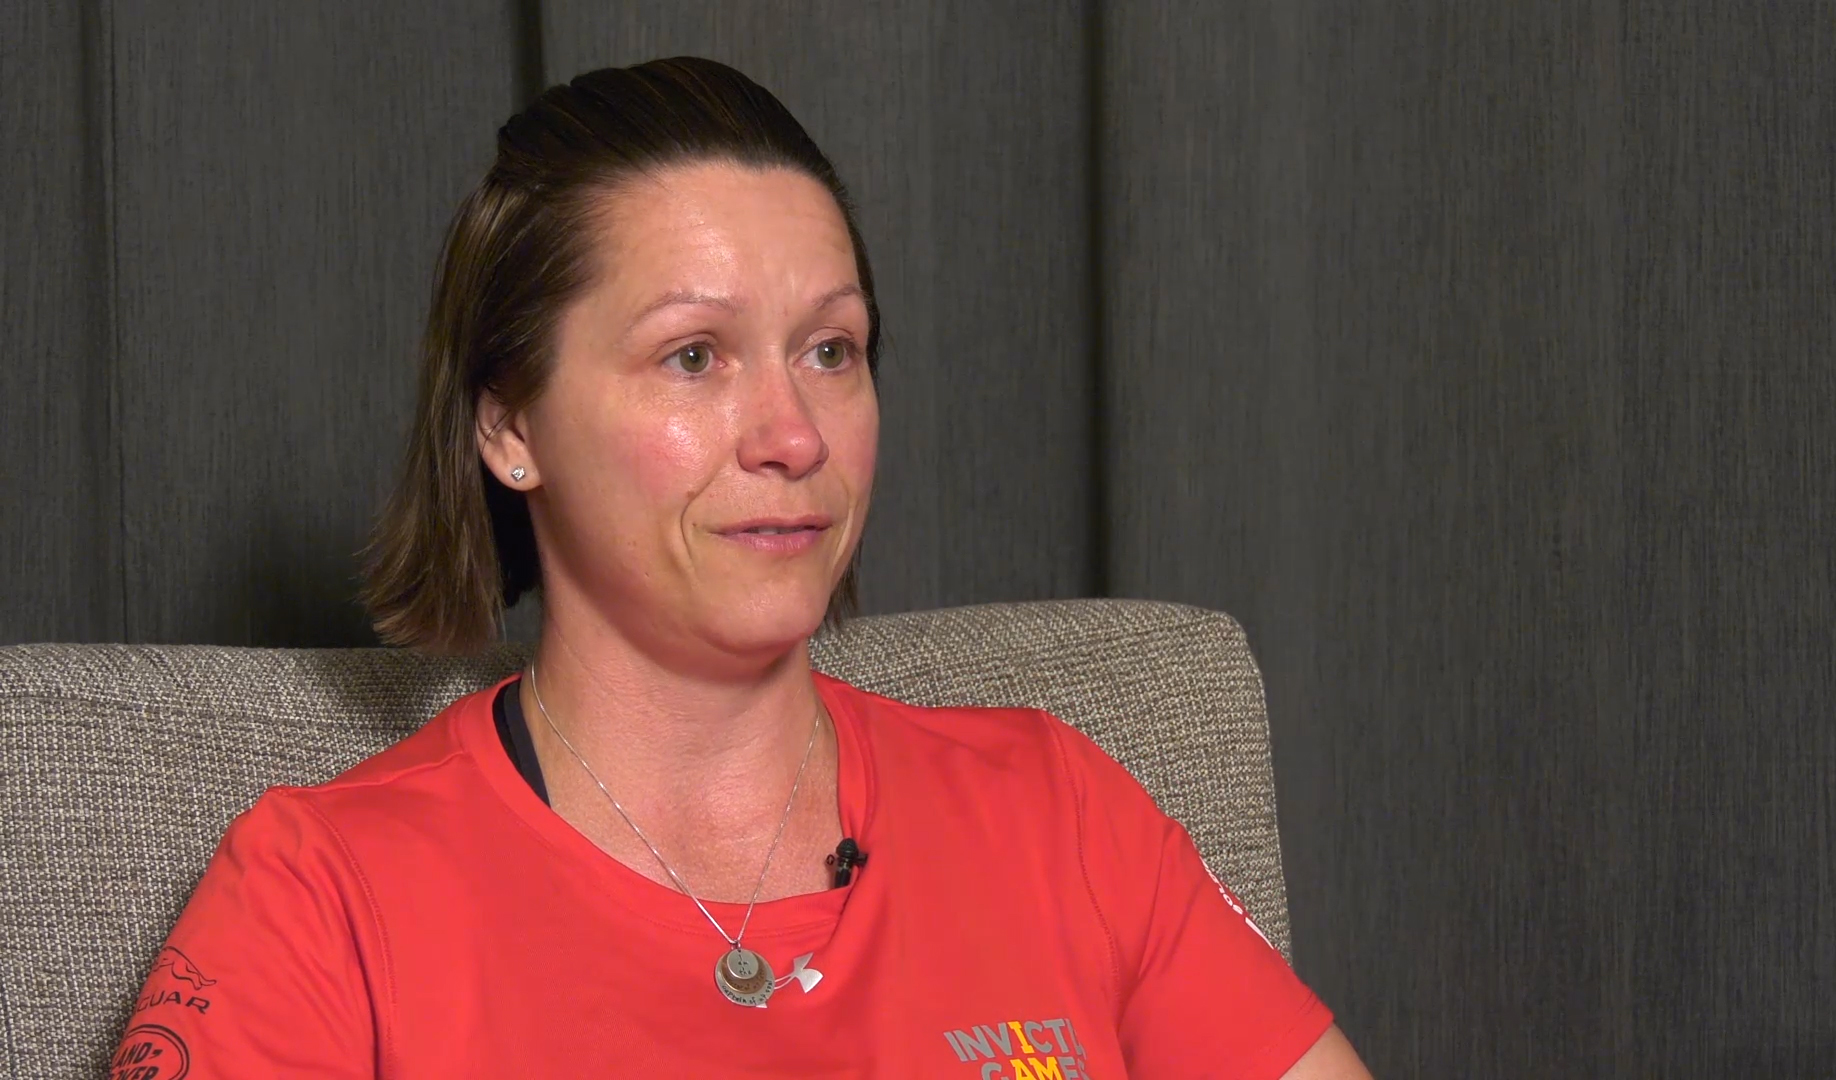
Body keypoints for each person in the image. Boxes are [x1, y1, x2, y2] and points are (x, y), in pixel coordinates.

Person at [108, 57, 1371, 1079]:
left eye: (831, 350)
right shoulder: (321, 899)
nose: (793, 436)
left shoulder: (1058, 812)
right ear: (510, 426)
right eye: (694, 357)